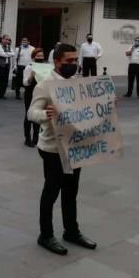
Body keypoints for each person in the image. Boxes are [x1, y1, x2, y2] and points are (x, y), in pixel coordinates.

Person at [28, 43, 96, 256]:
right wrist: (45, 114)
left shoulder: (79, 83)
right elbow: (32, 112)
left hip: (74, 145)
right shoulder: (46, 85)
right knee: (52, 190)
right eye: (69, 61)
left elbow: (90, 107)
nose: (73, 64)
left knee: (71, 190)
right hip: (52, 148)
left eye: (76, 60)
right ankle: (45, 234)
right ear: (57, 62)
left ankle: (71, 231)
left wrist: (107, 105)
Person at [22, 48, 45, 147]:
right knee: (29, 115)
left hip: (40, 93)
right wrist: (31, 76)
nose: (40, 58)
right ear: (33, 57)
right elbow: (25, 83)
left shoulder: (45, 67)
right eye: (38, 56)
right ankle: (27, 138)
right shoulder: (29, 67)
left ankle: (36, 138)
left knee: (38, 115)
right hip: (30, 93)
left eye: (42, 56)